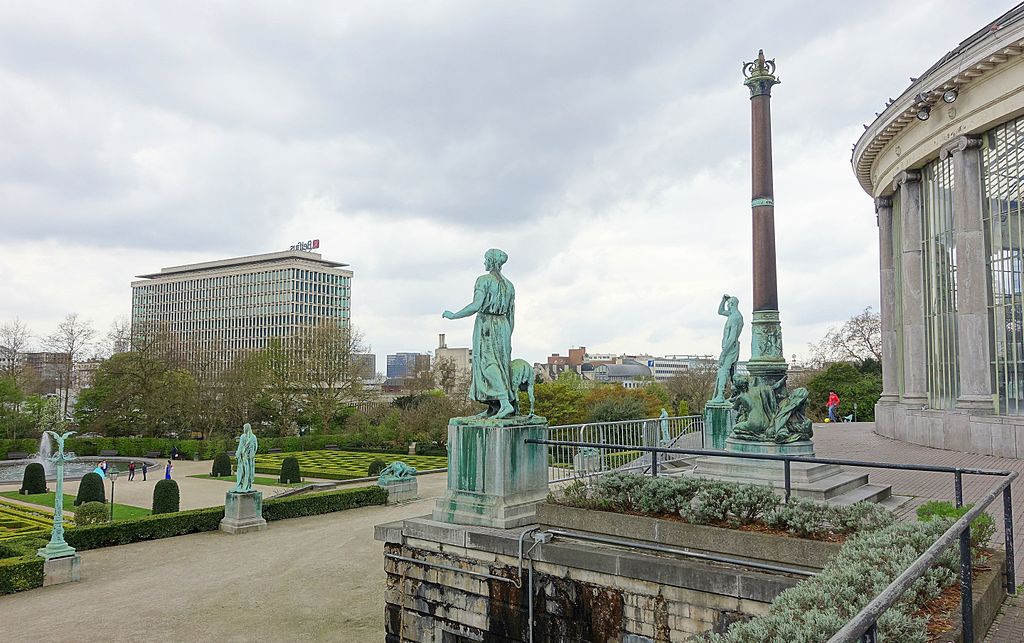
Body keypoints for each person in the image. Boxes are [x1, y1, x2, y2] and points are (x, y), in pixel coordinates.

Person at [442, 248, 516, 418]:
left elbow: (476, 306)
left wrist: (454, 315)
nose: (484, 263)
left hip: (487, 324)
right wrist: (507, 338)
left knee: (487, 363)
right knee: (500, 364)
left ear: (491, 261)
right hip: (503, 326)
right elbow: (512, 316)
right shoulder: (509, 286)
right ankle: (494, 406)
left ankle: (504, 402)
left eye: (485, 259)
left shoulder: (483, 280)